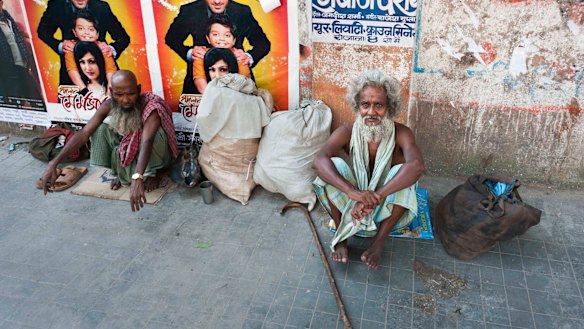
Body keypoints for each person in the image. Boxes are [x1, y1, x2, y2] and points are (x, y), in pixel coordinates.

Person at [313, 70, 425, 269]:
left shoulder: (401, 133)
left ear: (390, 107)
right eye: (366, 105)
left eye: (379, 105)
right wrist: (353, 193)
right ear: (358, 106)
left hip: (385, 207)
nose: (371, 112)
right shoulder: (347, 131)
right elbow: (319, 160)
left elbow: (417, 166)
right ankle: (342, 236)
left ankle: (378, 242)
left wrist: (377, 196)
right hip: (355, 203)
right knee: (333, 166)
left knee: (405, 174)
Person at [41, 70, 179, 212]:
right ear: (112, 92)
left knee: (155, 135)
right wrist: (54, 163)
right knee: (100, 129)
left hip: (152, 151)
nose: (125, 100)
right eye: (119, 94)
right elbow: (84, 133)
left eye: (130, 94)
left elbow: (147, 141)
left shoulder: (151, 107)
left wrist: (137, 177)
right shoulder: (108, 106)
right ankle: (121, 173)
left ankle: (154, 173)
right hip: (130, 147)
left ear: (138, 90)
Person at [165, 0, 270, 94]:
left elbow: (263, 44)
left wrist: (248, 57)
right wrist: (190, 53)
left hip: (237, 80)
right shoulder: (190, 10)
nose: (217, 1)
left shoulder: (242, 11)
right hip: (198, 86)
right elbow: (172, 38)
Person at [37, 0, 129, 85]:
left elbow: (123, 38)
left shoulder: (102, 7)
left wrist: (111, 50)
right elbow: (43, 31)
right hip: (70, 74)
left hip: (102, 71)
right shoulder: (57, 5)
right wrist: (61, 46)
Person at [193, 14, 251, 93]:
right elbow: (202, 88)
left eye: (227, 35)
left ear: (234, 40)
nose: (222, 39)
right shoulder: (201, 55)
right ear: (208, 38)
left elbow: (245, 87)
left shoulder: (239, 56)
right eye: (215, 34)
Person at [66, 11, 116, 93]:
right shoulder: (70, 47)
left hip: (103, 87)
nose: (86, 32)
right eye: (81, 28)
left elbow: (111, 71)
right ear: (74, 32)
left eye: (91, 29)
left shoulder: (103, 48)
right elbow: (72, 69)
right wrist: (84, 92)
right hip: (82, 88)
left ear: (97, 34)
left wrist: (108, 94)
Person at [0, 0, 42, 100]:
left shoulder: (9, 19)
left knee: (34, 96)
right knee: (15, 99)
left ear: (1, 3)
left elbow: (17, 39)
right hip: (7, 69)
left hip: (22, 64)